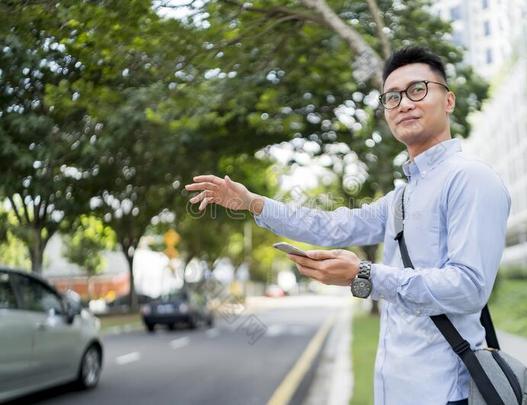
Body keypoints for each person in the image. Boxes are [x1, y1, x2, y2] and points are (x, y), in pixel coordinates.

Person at [185, 46, 510, 405]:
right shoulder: (402, 197)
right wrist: (254, 203)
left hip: (449, 394)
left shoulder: (471, 179)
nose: (404, 103)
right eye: (392, 97)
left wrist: (366, 275)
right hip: (397, 392)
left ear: (448, 100)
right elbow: (334, 227)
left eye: (417, 90)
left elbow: (469, 287)